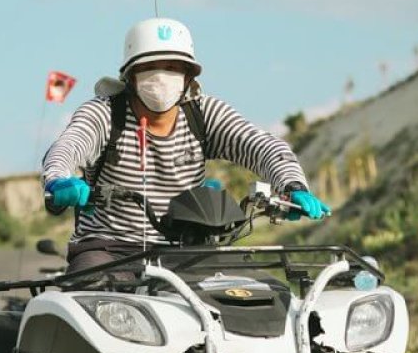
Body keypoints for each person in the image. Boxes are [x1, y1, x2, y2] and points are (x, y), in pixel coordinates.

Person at [42, 17, 330, 273]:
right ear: (130, 75)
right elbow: (68, 146)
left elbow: (263, 147)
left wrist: (292, 186)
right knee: (92, 300)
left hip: (186, 250)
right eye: (150, 68)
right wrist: (59, 181)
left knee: (254, 302)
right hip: (108, 249)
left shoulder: (203, 114)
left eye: (172, 68)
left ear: (188, 76)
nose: (161, 77)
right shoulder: (104, 113)